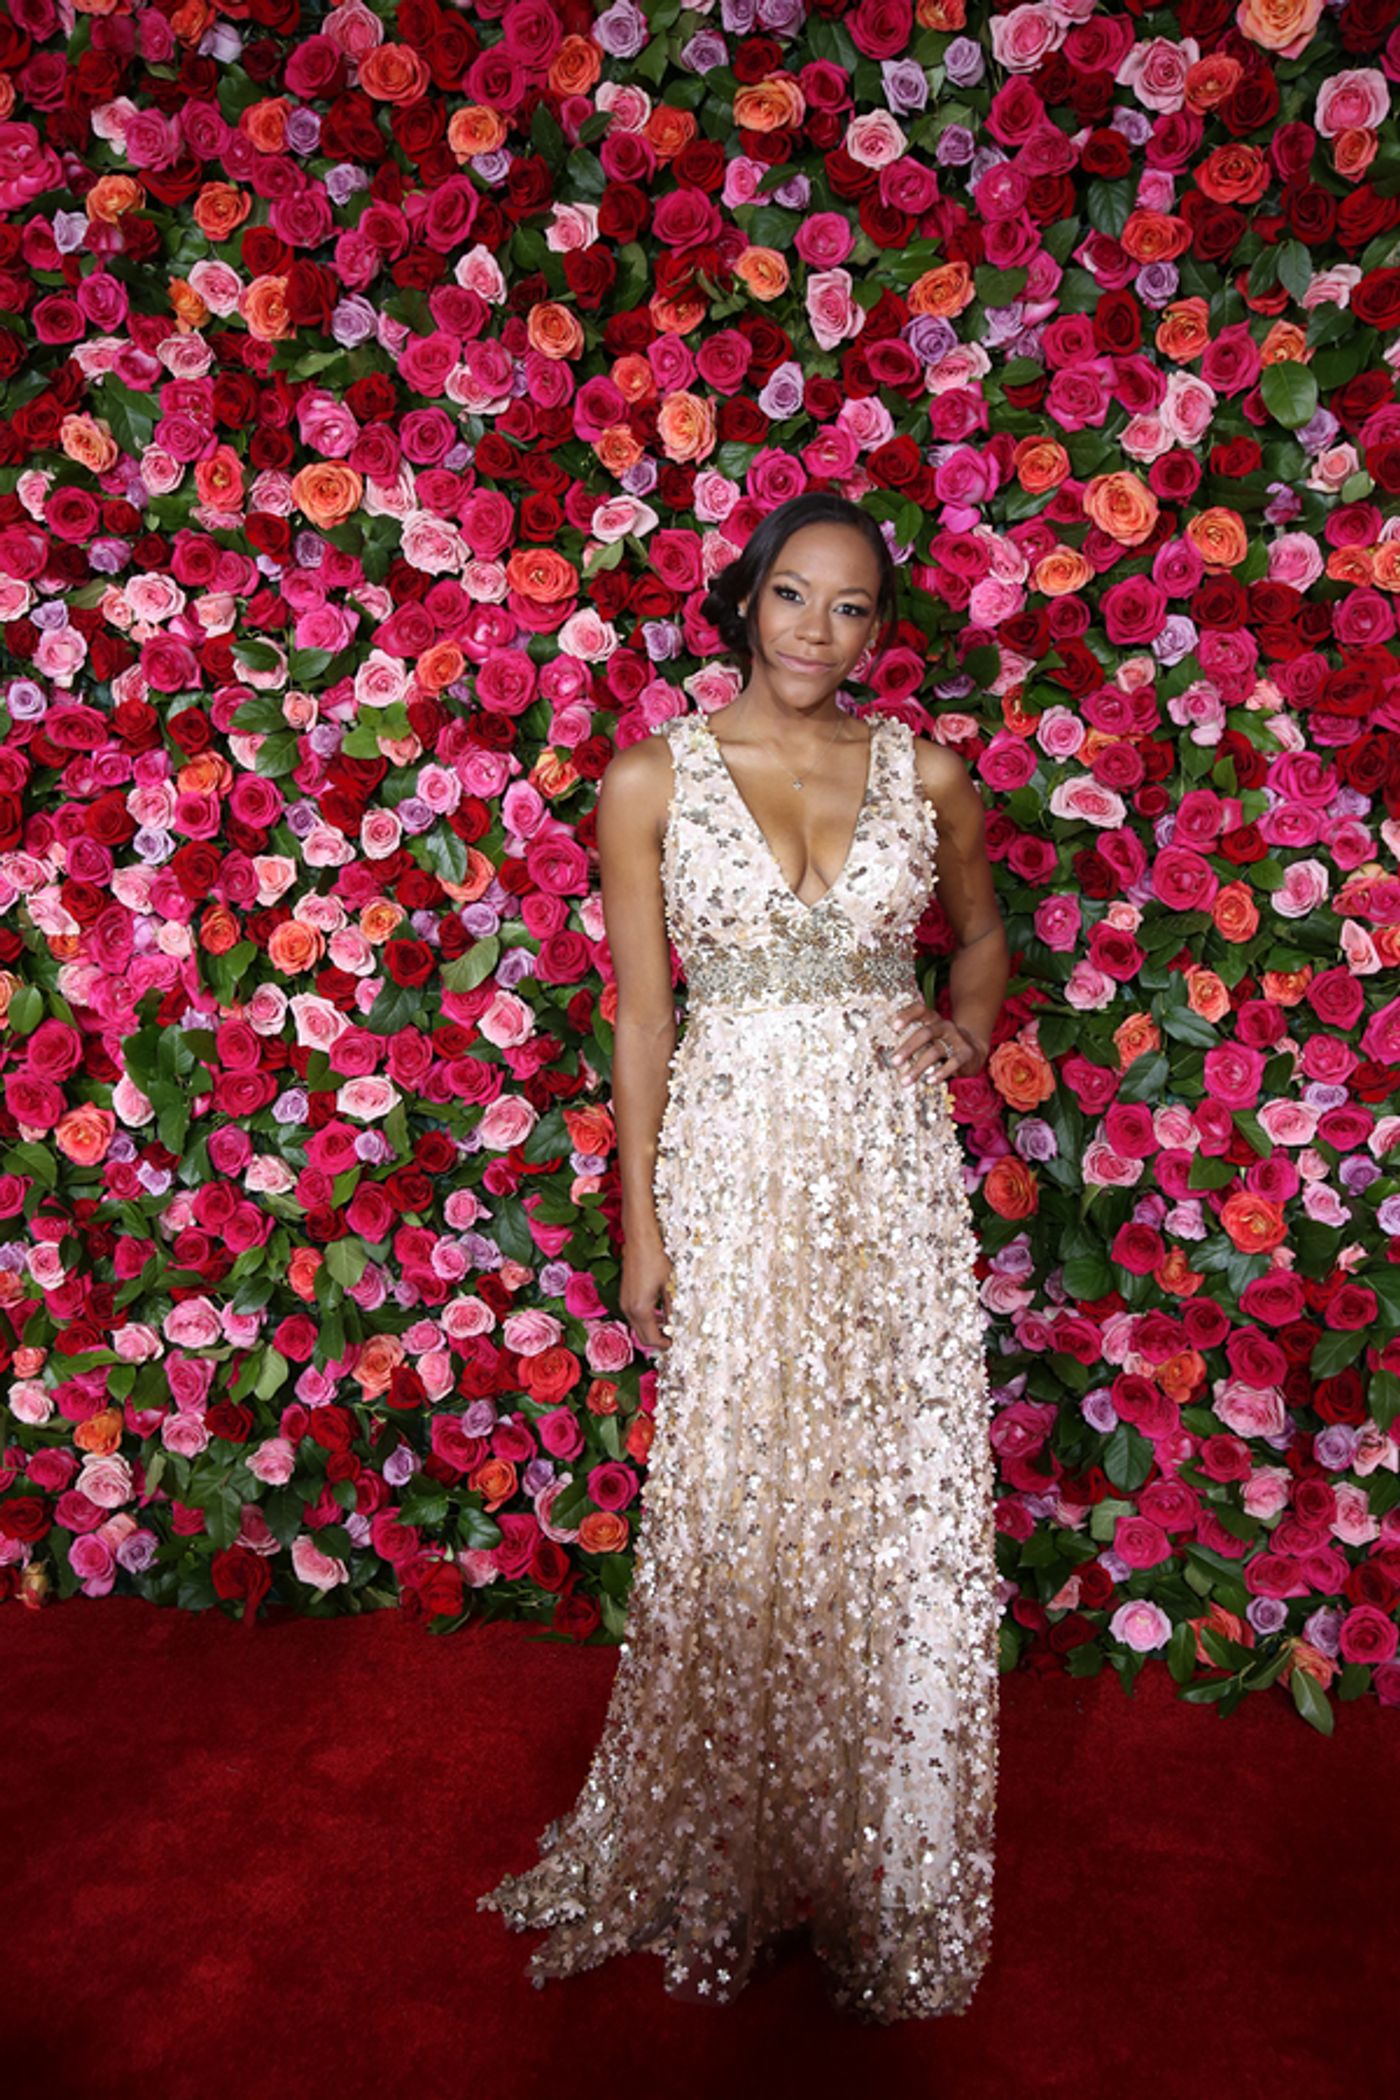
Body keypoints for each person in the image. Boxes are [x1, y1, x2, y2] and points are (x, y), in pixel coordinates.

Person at [478, 491, 1010, 2022]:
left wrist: (965, 1037)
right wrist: (642, 1225)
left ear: (879, 629)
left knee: (885, 1501)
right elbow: (646, 1018)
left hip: (890, 1181)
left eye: (851, 608)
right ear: (745, 600)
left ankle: (874, 1858)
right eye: (793, 596)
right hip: (733, 1171)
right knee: (741, 1487)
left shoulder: (929, 774)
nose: (817, 632)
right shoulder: (648, 780)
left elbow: (979, 939)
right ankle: (734, 1837)